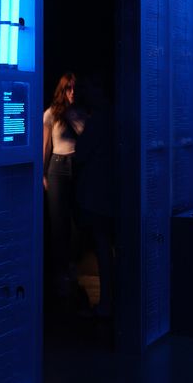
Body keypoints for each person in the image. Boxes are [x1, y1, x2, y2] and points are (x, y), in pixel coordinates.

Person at [72, 77, 118, 320]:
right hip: (114, 190)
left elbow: (80, 155)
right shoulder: (120, 116)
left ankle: (107, 302)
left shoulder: (97, 120)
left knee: (102, 246)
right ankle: (118, 299)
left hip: (97, 193)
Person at [43, 72, 86, 305]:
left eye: (75, 88)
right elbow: (46, 144)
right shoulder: (51, 114)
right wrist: (42, 173)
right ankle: (60, 274)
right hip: (58, 166)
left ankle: (71, 269)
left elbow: (88, 139)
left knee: (77, 222)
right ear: (62, 90)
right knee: (58, 222)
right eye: (68, 88)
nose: (72, 92)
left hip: (77, 166)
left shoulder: (81, 112)